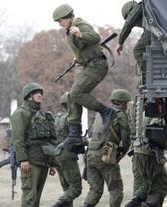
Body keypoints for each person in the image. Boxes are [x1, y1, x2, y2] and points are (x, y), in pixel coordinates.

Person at [53, 4, 114, 150]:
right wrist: (78, 58)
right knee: (72, 96)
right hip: (89, 65)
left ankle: (106, 112)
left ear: (67, 18)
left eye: (60, 20)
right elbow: (84, 47)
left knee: (76, 92)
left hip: (97, 65)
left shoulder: (80, 25)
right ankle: (75, 134)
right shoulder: (70, 30)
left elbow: (95, 37)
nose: (59, 24)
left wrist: (80, 34)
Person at [83, 89, 132, 207]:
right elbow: (126, 140)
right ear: (123, 103)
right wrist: (120, 154)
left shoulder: (100, 113)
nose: (127, 105)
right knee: (116, 189)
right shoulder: (120, 115)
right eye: (127, 103)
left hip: (90, 155)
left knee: (95, 190)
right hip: (105, 156)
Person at [11, 82, 57, 207]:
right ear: (29, 96)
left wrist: (52, 163)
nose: (40, 95)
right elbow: (18, 139)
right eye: (37, 93)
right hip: (30, 162)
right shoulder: (21, 113)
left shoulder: (42, 115)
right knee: (29, 198)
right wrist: (23, 159)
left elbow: (48, 140)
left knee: (36, 198)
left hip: (43, 161)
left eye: (41, 93)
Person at [125, 116, 167, 207]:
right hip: (149, 152)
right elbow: (156, 133)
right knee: (158, 186)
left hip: (137, 152)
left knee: (141, 184)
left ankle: (136, 202)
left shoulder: (142, 111)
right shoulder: (157, 112)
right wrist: (166, 145)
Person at [51, 92, 82, 207]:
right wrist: (88, 141)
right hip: (67, 154)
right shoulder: (72, 117)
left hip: (57, 154)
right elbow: (75, 138)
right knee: (76, 188)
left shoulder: (57, 117)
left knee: (67, 189)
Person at [115, 1, 151, 84]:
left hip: (156, 30)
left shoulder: (139, 7)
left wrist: (120, 42)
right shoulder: (148, 9)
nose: (136, 25)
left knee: (138, 51)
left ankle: (149, 81)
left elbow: (129, 23)